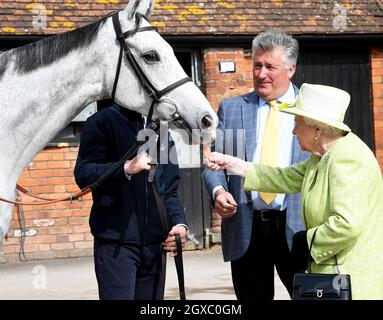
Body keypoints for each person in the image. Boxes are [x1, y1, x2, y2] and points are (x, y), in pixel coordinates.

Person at [205, 83, 383, 300]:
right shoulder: (321, 158)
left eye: (297, 122)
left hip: (353, 281)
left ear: (317, 129)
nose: (293, 130)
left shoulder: (347, 158)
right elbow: (283, 177)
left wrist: (307, 241)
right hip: (333, 277)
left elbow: (347, 224)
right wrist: (232, 163)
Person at [203, 30, 308, 300]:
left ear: (291, 69)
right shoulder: (233, 108)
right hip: (248, 228)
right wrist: (219, 192)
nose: (261, 74)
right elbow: (215, 164)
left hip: (297, 227)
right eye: (257, 66)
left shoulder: (310, 110)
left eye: (270, 67)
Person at [74, 102, 188, 300]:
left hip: (154, 246)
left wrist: (179, 223)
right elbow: (83, 174)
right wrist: (126, 167)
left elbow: (169, 190)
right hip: (116, 245)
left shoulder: (160, 128)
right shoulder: (101, 122)